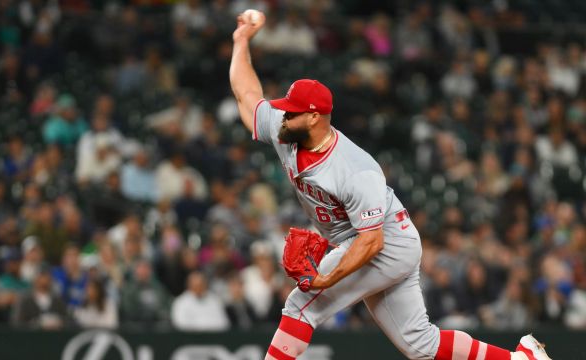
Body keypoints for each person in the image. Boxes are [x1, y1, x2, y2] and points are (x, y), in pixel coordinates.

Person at [229, 10, 551, 360]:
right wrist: (241, 41)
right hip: (374, 239)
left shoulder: (355, 169)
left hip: (385, 243)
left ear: (314, 117)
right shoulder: (286, 132)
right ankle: (521, 358)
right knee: (420, 345)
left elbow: (371, 241)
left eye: (292, 111)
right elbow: (247, 95)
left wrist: (327, 278)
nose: (284, 115)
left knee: (301, 306)